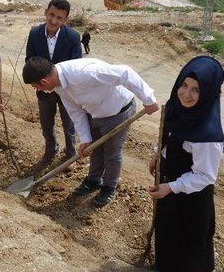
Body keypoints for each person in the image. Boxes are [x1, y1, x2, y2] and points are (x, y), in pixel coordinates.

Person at [22, 57, 159, 208]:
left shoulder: (84, 73)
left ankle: (109, 187)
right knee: (95, 149)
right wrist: (85, 138)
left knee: (112, 152)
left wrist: (148, 99)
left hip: (117, 111)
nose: (38, 90)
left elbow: (125, 73)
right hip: (94, 112)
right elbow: (75, 110)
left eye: (36, 87)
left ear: (44, 81)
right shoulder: (58, 84)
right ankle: (93, 181)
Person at [147, 55, 224, 272]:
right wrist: (157, 155)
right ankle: (164, 267)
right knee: (167, 229)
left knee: (185, 239)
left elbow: (205, 176)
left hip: (191, 197)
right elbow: (167, 135)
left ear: (209, 93)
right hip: (169, 186)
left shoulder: (208, 136)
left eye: (196, 90)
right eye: (184, 85)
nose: (187, 95)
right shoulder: (175, 108)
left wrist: (170, 187)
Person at [25, 0, 81, 174]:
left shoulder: (72, 37)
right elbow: (30, 60)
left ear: (66, 19)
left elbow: (76, 66)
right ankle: (51, 150)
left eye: (59, 17)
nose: (54, 21)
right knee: (46, 123)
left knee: (68, 123)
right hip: (44, 91)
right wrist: (39, 82)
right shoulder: (34, 34)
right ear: (45, 12)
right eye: (51, 15)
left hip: (66, 92)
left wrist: (58, 84)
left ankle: (71, 154)